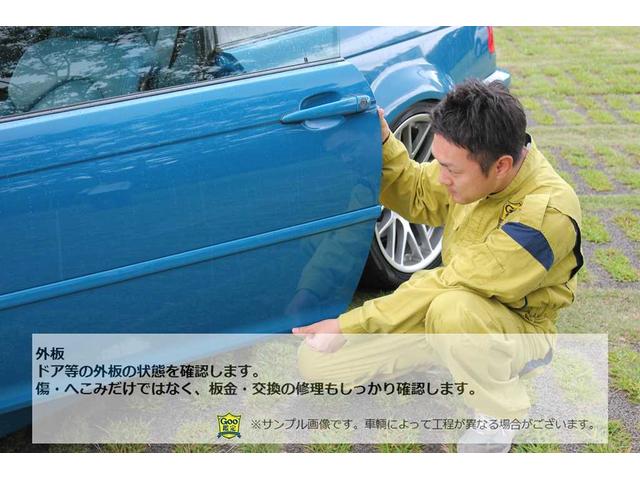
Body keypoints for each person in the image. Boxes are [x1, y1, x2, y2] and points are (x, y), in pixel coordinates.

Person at [291, 79, 583, 452]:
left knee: (453, 309)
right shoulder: (472, 166)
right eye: (440, 163)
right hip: (447, 319)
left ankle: (498, 417)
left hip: (514, 329)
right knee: (317, 364)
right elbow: (416, 189)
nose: (443, 178)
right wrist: (383, 142)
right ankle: (450, 357)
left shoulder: (547, 213)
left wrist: (348, 324)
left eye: (452, 171)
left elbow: (451, 283)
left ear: (501, 166)